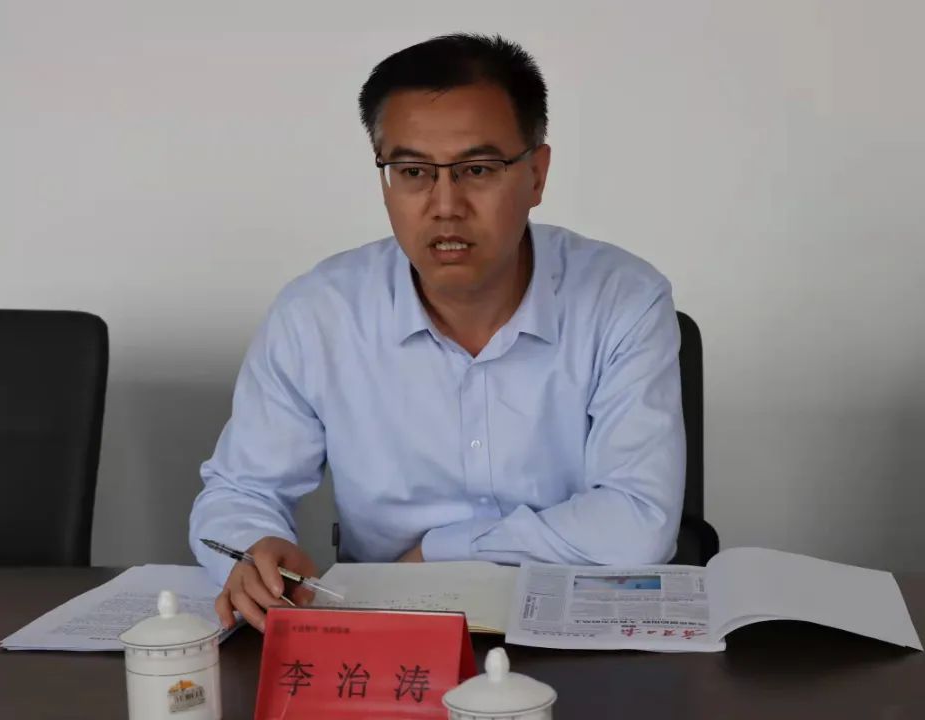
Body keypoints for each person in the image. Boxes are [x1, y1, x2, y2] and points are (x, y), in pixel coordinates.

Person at [189, 33, 686, 632]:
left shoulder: (622, 299)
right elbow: (239, 491)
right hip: (386, 632)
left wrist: (441, 553)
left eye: (477, 170)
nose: (445, 205)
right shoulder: (319, 314)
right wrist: (254, 550)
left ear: (536, 175)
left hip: (576, 626)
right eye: (413, 172)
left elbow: (637, 521)